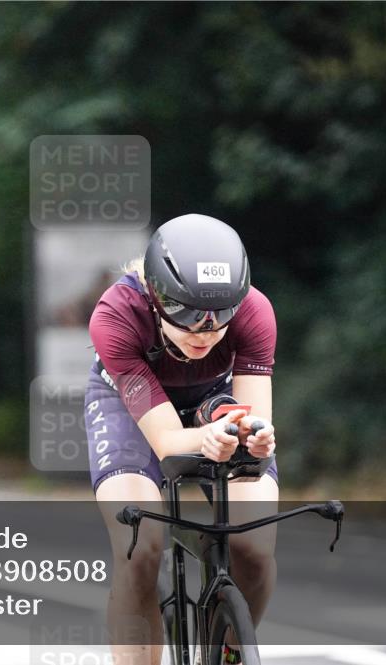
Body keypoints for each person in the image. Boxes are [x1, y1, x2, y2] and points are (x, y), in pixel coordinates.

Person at [86, 213, 278, 665]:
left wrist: (256, 439)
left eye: (219, 317)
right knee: (140, 547)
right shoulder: (116, 316)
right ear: (155, 295)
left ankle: (229, 650)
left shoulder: (255, 311)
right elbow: (168, 439)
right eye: (186, 314)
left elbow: (255, 421)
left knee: (253, 547)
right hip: (131, 407)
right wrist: (202, 439)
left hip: (213, 395)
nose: (204, 331)